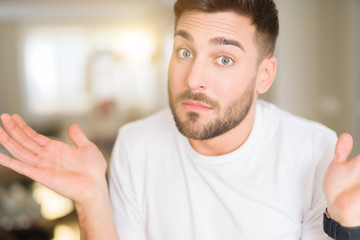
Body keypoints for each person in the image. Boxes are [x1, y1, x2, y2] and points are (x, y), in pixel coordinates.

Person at [0, 0, 359, 239]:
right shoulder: (136, 143)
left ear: (264, 75)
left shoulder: (315, 150)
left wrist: (347, 226)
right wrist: (91, 199)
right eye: (185, 52)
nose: (192, 78)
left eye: (224, 59)